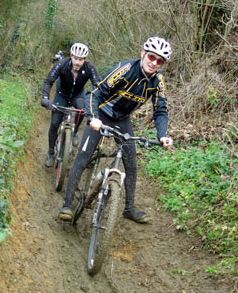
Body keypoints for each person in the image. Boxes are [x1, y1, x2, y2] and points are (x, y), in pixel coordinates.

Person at [58, 37, 174, 224]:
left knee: (131, 163)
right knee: (83, 157)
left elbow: (160, 109)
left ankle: (129, 208)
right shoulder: (125, 69)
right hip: (101, 114)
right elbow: (95, 92)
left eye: (159, 61)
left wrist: (162, 135)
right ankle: (67, 205)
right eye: (151, 57)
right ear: (143, 54)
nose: (154, 63)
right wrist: (92, 117)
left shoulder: (157, 80)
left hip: (122, 119)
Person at [41, 43, 100, 167]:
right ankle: (51, 152)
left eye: (81, 59)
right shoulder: (62, 64)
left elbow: (97, 85)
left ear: (85, 59)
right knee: (54, 123)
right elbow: (48, 81)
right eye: (75, 58)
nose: (77, 62)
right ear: (71, 55)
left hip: (78, 95)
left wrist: (96, 102)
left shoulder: (89, 67)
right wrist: (45, 98)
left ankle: (76, 131)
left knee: (82, 110)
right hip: (61, 94)